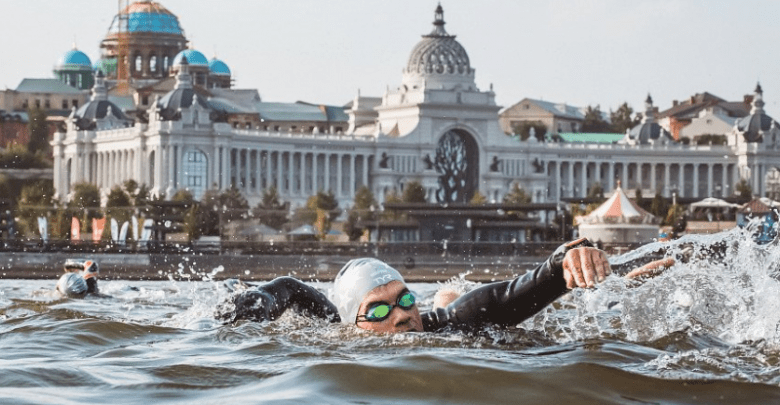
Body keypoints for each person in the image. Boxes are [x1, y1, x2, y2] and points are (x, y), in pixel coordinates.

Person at [216, 238, 672, 333]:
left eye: (404, 300)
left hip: (451, 307)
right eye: (378, 311)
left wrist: (565, 261)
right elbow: (290, 287)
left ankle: (625, 281)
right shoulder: (334, 327)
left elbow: (511, 295)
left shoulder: (441, 324)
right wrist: (245, 308)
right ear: (351, 322)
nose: (400, 316)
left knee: (453, 301)